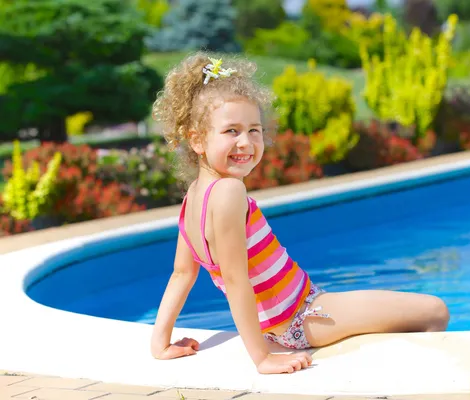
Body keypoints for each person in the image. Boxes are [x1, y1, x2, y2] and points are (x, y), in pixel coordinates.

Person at [149, 52, 450, 375]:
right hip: (303, 315)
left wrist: (160, 343)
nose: (246, 142)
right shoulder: (229, 192)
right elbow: (236, 280)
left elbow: (182, 274)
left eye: (254, 130)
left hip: (285, 320)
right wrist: (262, 359)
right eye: (231, 131)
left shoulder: (193, 198)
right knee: (434, 311)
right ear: (197, 140)